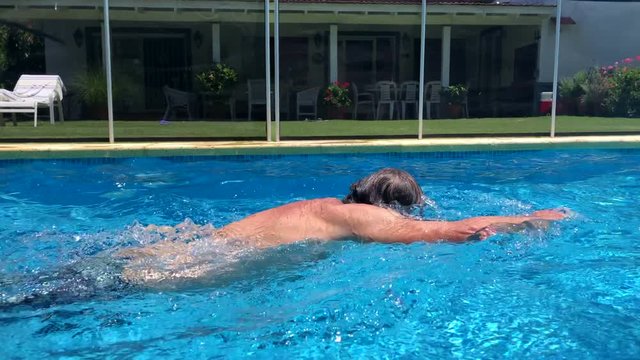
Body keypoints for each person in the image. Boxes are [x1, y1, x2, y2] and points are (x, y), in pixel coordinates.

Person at [117, 168, 566, 285]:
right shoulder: (365, 218)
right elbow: (455, 230)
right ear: (395, 207)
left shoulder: (323, 206)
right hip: (176, 273)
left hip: (167, 252)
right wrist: (528, 220)